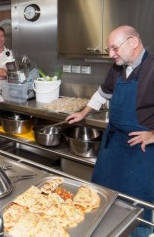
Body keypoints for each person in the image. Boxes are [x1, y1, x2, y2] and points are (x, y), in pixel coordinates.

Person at [66, 25, 154, 227]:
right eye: (109, 50)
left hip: (140, 152)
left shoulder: (152, 68)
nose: (111, 54)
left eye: (114, 48)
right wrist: (83, 112)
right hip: (113, 146)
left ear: (133, 42)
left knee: (135, 208)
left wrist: (152, 136)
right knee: (101, 198)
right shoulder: (118, 67)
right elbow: (102, 94)